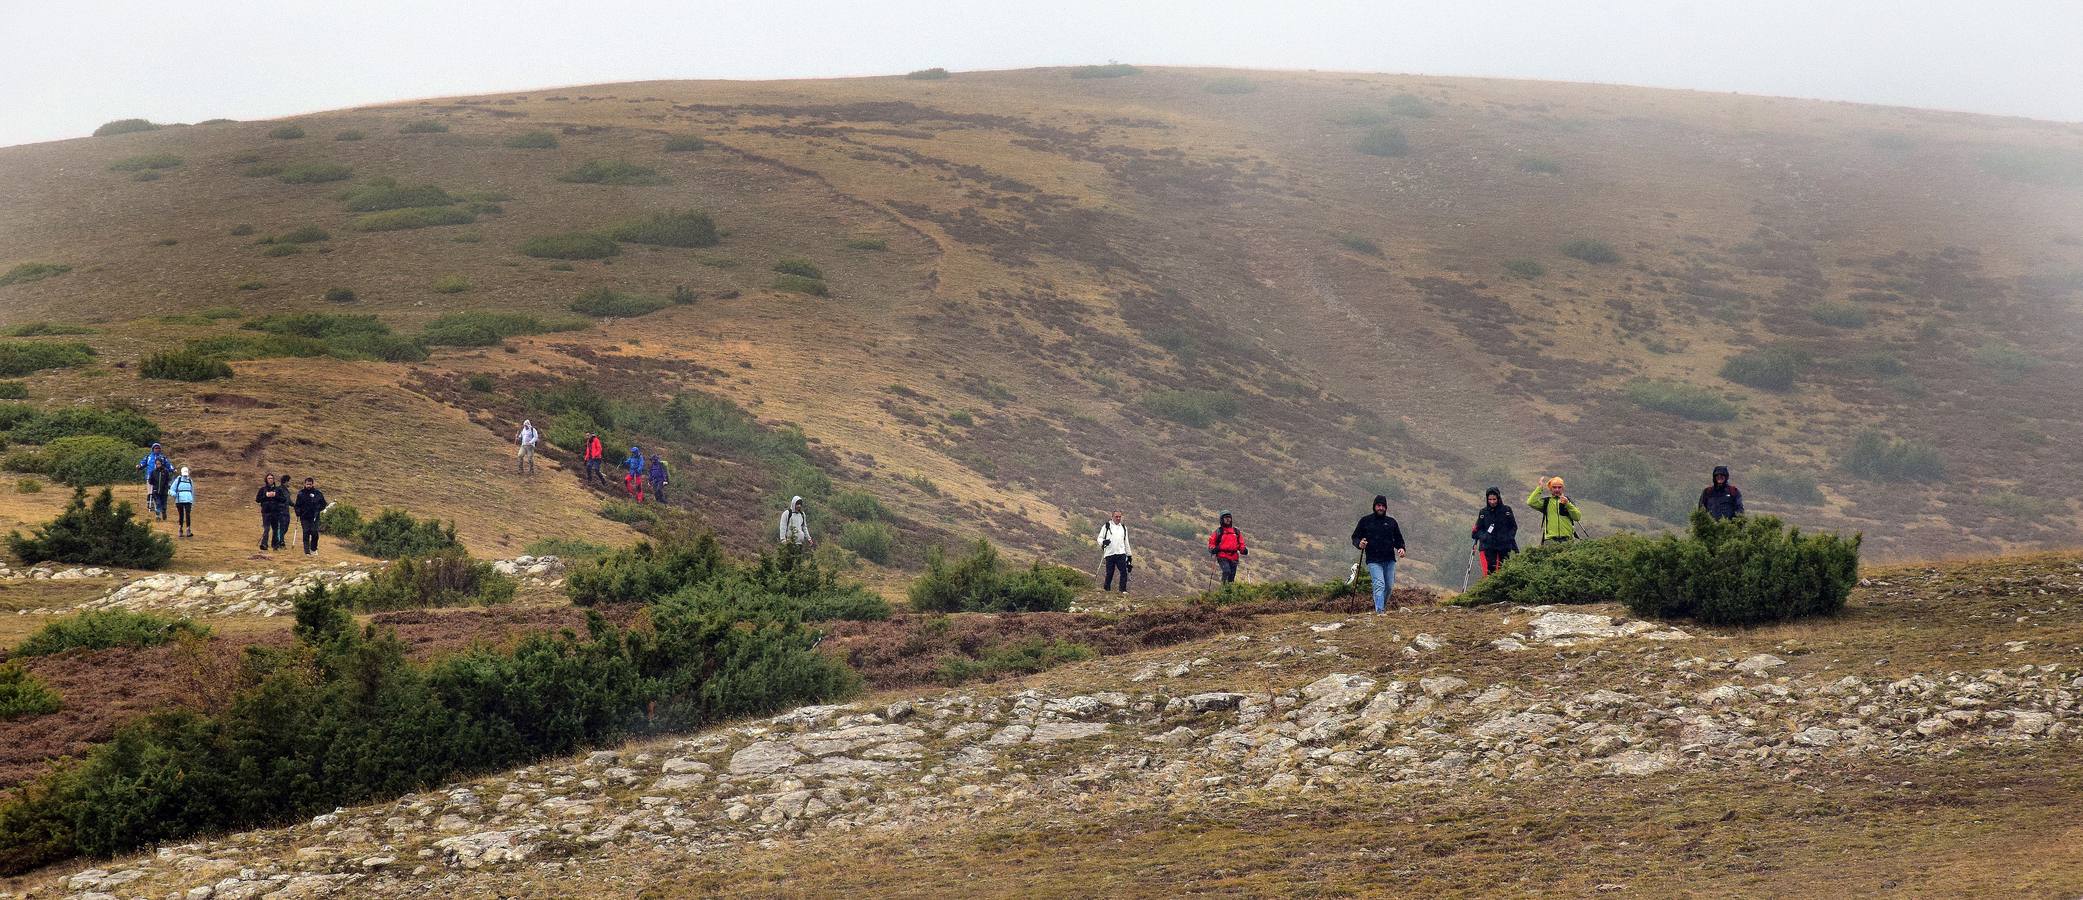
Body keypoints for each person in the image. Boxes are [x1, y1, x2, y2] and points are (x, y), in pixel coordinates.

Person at [1351, 495, 1408, 612]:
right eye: (1378, 505)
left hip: (1389, 560)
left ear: (1386, 507)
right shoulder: (1365, 521)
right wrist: (1359, 544)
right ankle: (1380, 612)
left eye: (1383, 506)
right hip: (1373, 560)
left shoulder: (1391, 522)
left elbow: (1398, 539)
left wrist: (1401, 548)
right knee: (1379, 585)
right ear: (1374, 506)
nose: (1380, 508)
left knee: (1389, 587)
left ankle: (1382, 607)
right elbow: (1355, 537)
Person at [1471, 487, 1519, 576]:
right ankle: (1491, 588)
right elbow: (1478, 530)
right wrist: (1484, 536)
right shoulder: (1483, 512)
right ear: (1487, 499)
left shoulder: (1506, 510)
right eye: (1490, 499)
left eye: (1494, 499)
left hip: (1504, 546)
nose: (1492, 502)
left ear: (1498, 498)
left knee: (1504, 570)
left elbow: (1513, 527)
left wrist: (1508, 537)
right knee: (1490, 571)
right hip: (1489, 546)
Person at [1527, 477, 1582, 544]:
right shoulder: (1546, 502)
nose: (1557, 489)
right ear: (1550, 488)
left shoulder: (1568, 501)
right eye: (1554, 487)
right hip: (1550, 540)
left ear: (1563, 488)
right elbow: (1530, 502)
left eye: (1559, 487)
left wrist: (1567, 504)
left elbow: (1577, 517)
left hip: (1567, 539)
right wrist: (1539, 488)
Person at [1094, 511, 1133, 594]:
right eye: (1116, 517)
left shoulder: (1123, 527)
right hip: (1110, 553)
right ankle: (1106, 589)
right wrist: (1104, 542)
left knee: (1124, 571)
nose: (1118, 518)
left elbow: (1126, 542)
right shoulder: (1106, 526)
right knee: (1110, 572)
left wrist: (1129, 555)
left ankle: (1123, 590)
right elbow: (1099, 538)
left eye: (1119, 517)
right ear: (1112, 517)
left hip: (1121, 553)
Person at [1207, 511, 1248, 584]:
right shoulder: (1219, 531)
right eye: (1226, 518)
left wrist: (1243, 550)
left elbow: (1241, 544)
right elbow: (1211, 543)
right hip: (1222, 556)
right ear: (1222, 519)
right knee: (1226, 571)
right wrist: (1214, 549)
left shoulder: (1236, 531)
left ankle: (1228, 592)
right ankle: (1223, 588)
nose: (1228, 519)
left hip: (1234, 557)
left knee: (1231, 578)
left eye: (1229, 517)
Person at [254, 474, 290, 551]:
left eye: (271, 478)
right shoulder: (263, 489)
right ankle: (264, 544)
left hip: (276, 512)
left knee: (275, 529)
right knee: (266, 528)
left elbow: (283, 499)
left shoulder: (278, 490)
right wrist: (266, 496)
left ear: (273, 480)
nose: (270, 480)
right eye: (269, 478)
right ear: (266, 480)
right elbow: (257, 499)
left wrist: (275, 495)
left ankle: (275, 545)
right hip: (266, 512)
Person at [293, 477, 327, 555]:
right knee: (306, 532)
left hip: (314, 517)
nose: (308, 485)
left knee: (314, 533)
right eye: (307, 484)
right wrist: (298, 512)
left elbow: (323, 504)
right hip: (304, 517)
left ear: (312, 484)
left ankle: (313, 549)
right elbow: (297, 505)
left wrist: (318, 509)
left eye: (310, 484)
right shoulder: (301, 493)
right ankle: (307, 551)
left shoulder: (317, 493)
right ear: (305, 484)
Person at [136, 442, 168, 516]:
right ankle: (150, 505)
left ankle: (158, 506)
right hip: (150, 477)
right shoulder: (148, 457)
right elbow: (142, 463)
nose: (157, 449)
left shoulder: (163, 458)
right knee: (150, 491)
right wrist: (139, 466)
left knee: (158, 492)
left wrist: (173, 469)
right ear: (153, 449)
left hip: (160, 478)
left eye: (159, 448)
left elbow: (168, 465)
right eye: (156, 448)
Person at [169, 467, 196, 538]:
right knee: (181, 515)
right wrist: (173, 494)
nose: (185, 475)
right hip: (179, 500)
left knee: (188, 515)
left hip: (188, 499)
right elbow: (172, 489)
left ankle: (188, 529)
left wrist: (192, 501)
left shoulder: (190, 480)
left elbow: (192, 491)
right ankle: (180, 529)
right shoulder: (178, 480)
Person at [148, 457, 176, 522]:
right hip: (156, 491)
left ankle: (164, 512)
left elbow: (168, 480)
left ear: (162, 464)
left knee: (164, 504)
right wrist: (154, 484)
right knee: (158, 503)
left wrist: (167, 487)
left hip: (164, 491)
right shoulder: (153, 472)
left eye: (159, 464)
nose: (158, 465)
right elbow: (150, 481)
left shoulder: (166, 471)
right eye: (157, 464)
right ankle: (158, 516)